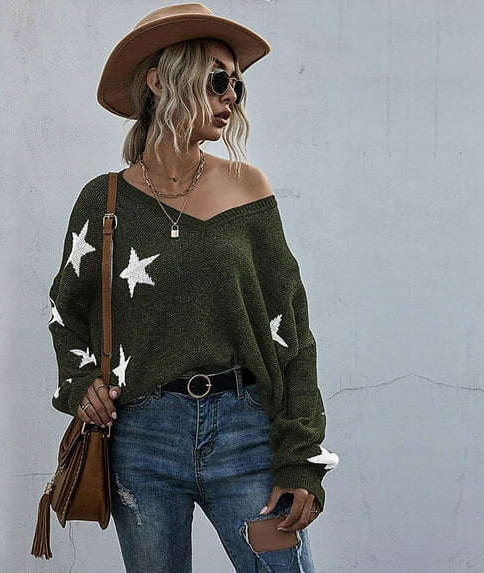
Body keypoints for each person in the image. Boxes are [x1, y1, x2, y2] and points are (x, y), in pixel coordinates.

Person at [48, 3, 338, 572]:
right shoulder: (102, 200)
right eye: (217, 80)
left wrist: (302, 457)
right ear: (160, 81)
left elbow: (292, 329)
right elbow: (66, 310)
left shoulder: (248, 188)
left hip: (246, 433)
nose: (232, 97)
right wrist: (81, 384)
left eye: (238, 85)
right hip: (142, 439)